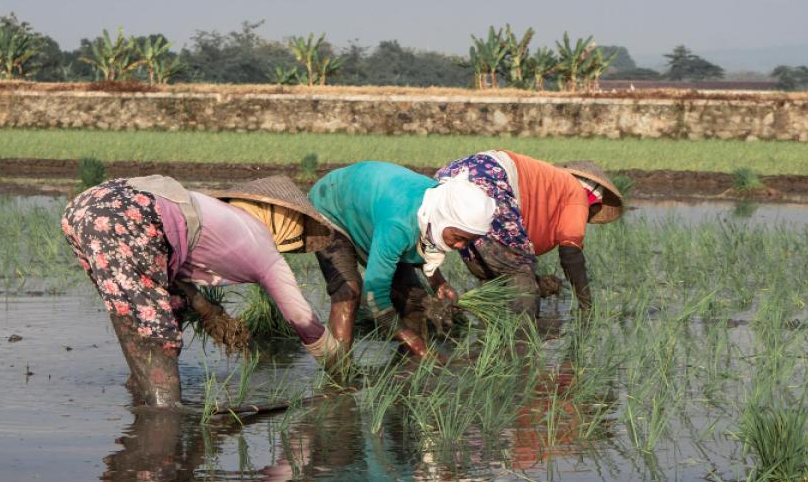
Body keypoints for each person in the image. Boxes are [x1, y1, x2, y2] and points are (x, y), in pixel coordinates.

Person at [62, 175, 344, 407]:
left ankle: (140, 389)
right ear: (286, 219)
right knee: (157, 330)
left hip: (85, 207)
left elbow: (166, 273)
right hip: (128, 216)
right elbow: (303, 320)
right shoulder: (261, 246)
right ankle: (165, 411)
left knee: (144, 309)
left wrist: (209, 311)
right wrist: (342, 371)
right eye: (297, 232)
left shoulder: (216, 211)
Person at [309, 161, 497, 358]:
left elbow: (427, 242)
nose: (461, 247)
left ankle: (407, 370)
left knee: (412, 299)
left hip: (372, 209)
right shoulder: (399, 226)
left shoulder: (435, 210)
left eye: (468, 241)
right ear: (443, 220)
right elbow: (374, 296)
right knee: (348, 291)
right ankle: (338, 374)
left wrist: (438, 283)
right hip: (330, 206)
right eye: (458, 238)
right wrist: (417, 345)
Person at [434, 152, 623, 316]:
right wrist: (586, 306)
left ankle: (485, 326)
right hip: (491, 177)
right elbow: (570, 253)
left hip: (452, 174)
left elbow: (497, 257)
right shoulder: (577, 194)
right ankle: (524, 342)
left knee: (489, 270)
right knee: (518, 271)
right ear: (594, 202)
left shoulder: (550, 185)